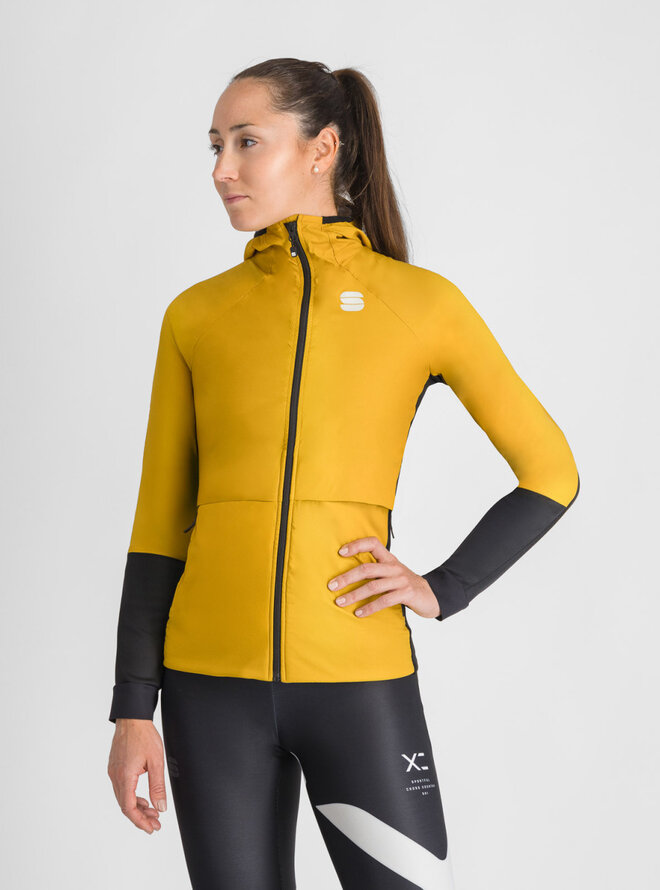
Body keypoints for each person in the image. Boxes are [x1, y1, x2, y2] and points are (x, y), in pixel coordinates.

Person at [107, 58, 580, 890]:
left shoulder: (420, 303)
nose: (222, 169)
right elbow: (159, 522)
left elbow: (551, 471)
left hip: (358, 683)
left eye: (247, 142)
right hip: (206, 690)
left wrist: (444, 587)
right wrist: (131, 708)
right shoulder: (196, 315)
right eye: (216, 146)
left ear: (322, 148)